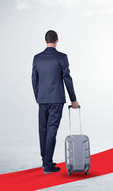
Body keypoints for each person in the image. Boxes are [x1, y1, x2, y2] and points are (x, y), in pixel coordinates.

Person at [31, 30, 80, 174]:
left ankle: (45, 160)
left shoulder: (37, 58)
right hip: (57, 99)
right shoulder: (62, 57)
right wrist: (74, 99)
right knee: (52, 129)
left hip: (42, 100)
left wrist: (39, 97)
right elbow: (67, 78)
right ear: (57, 40)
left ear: (45, 41)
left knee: (43, 129)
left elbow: (34, 79)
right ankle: (47, 164)